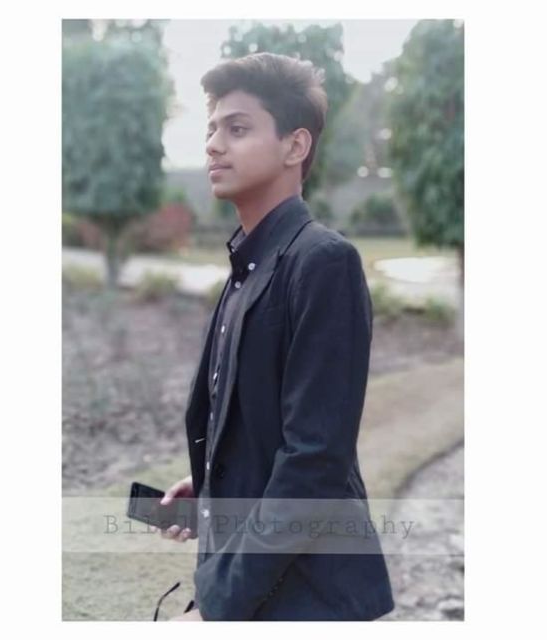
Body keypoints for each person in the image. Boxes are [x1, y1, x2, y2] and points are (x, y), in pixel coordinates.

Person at [150, 52, 395, 621]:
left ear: (295, 145)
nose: (213, 145)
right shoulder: (247, 269)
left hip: (307, 596)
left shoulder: (323, 262)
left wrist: (220, 603)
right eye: (211, 129)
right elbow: (263, 425)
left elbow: (315, 460)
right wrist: (213, 487)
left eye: (237, 129)